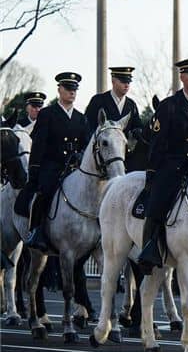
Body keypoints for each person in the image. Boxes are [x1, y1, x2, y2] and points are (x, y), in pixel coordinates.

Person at [137, 57, 188, 275]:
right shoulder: (169, 106)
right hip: (175, 166)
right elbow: (157, 144)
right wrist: (153, 174)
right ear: (182, 77)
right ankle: (150, 249)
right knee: (158, 203)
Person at [24, 72, 90, 252]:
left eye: (74, 89)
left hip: (73, 168)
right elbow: (38, 146)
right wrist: (35, 170)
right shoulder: (47, 114)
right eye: (68, 89)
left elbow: (86, 143)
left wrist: (81, 154)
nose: (72, 93)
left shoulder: (80, 117)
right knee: (44, 193)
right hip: (51, 166)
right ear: (59, 89)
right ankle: (36, 230)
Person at [85, 67, 143, 139]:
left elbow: (137, 126)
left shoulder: (131, 104)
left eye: (128, 82)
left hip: (123, 148)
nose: (126, 85)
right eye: (123, 82)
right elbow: (87, 127)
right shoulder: (98, 100)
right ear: (113, 81)